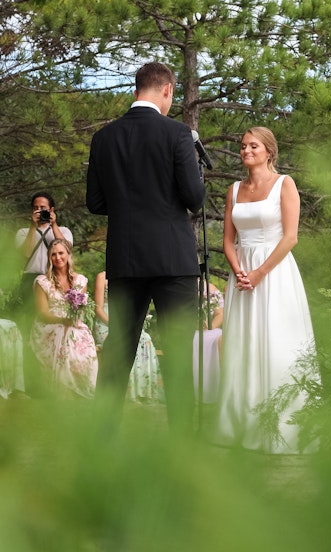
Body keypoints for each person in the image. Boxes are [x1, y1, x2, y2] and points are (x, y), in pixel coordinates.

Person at [86, 61, 206, 434]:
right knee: (179, 358)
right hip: (173, 260)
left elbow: (95, 202)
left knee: (118, 356)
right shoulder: (178, 135)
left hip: (126, 259)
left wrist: (127, 206)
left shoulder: (103, 138)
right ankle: (184, 449)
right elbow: (194, 198)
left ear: (137, 89)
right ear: (167, 90)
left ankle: (101, 443)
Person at [215, 127, 318, 454]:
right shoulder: (234, 190)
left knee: (277, 344)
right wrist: (239, 271)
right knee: (242, 344)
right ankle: (240, 425)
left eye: (253, 146)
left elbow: (290, 237)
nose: (245, 150)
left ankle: (284, 429)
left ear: (269, 151)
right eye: (243, 146)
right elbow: (227, 241)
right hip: (242, 274)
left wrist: (259, 272)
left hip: (274, 273)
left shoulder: (284, 184)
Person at [14, 192, 73, 393]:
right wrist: (33, 226)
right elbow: (24, 253)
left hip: (55, 280)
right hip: (30, 280)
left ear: (52, 210)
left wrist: (53, 225)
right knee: (31, 330)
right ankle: (30, 384)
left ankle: (55, 382)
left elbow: (66, 250)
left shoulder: (62, 229)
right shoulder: (23, 232)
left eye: (44, 208)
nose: (40, 211)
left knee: (55, 329)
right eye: (36, 208)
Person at [30, 239, 98, 398]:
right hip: (48, 324)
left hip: (74, 322)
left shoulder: (80, 281)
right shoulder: (42, 282)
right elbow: (42, 313)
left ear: (68, 254)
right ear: (49, 258)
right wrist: (63, 322)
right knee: (65, 334)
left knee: (81, 335)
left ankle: (82, 384)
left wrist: (73, 321)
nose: (57, 257)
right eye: (53, 254)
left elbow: (82, 309)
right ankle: (64, 389)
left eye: (61, 253)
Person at [93, 271, 164, 404]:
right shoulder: (102, 277)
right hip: (106, 322)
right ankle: (121, 392)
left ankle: (143, 391)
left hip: (125, 321)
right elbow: (98, 309)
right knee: (120, 341)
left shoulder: (132, 277)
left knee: (145, 340)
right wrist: (114, 324)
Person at [193, 282, 224, 404]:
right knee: (194, 340)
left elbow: (220, 314)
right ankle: (195, 392)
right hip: (192, 330)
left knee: (219, 339)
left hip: (211, 329)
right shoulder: (181, 287)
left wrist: (209, 326)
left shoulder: (212, 289)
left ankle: (217, 390)